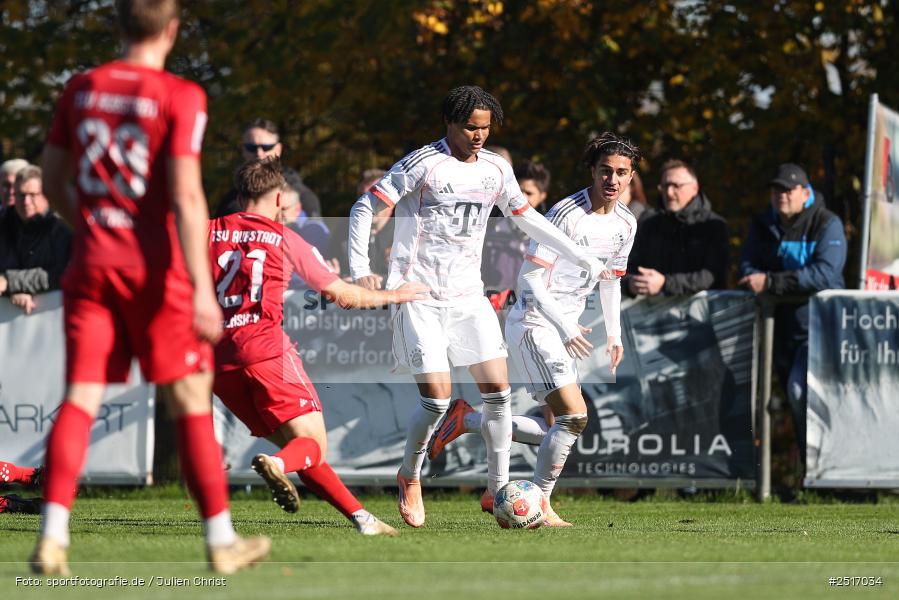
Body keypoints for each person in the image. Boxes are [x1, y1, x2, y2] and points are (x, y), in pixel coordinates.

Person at [33, 0, 269, 575]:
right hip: (156, 271)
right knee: (190, 397)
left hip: (92, 263)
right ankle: (220, 543)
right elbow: (188, 198)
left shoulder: (81, 88)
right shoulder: (180, 95)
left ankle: (52, 538)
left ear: (117, 26)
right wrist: (201, 289)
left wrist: (88, 224)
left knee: (82, 396)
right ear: (172, 29)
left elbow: (51, 178)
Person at [348, 85, 604, 527]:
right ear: (449, 123)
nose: (479, 135)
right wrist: (358, 270)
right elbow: (362, 208)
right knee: (436, 401)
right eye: (471, 127)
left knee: (500, 393)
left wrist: (578, 254)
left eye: (485, 127)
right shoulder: (423, 164)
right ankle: (410, 474)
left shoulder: (496, 169)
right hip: (418, 295)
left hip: (469, 296)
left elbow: (527, 218)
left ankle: (496, 489)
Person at [210, 157, 427, 536]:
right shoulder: (285, 238)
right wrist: (397, 295)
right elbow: (342, 295)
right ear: (278, 197)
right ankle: (277, 465)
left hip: (218, 363)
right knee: (311, 446)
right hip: (266, 351)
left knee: (305, 452)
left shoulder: (204, 232)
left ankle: (363, 520)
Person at [429, 133, 638, 525]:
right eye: (605, 171)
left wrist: (615, 334)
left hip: (561, 331)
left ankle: (468, 419)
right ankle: (540, 503)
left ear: (631, 176)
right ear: (592, 172)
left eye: (621, 173)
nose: (612, 179)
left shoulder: (626, 223)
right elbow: (529, 280)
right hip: (533, 322)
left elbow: (611, 278)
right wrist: (565, 324)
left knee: (552, 428)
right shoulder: (565, 214)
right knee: (574, 418)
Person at [738, 163, 846, 463]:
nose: (780, 195)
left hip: (820, 331)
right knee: (765, 401)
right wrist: (761, 280)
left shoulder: (827, 222)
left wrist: (771, 282)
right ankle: (800, 475)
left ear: (805, 192)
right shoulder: (763, 224)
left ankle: (824, 471)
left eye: (787, 189)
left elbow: (825, 274)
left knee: (801, 393)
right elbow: (746, 267)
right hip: (774, 332)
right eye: (776, 190)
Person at [625, 159, 729, 297]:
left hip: (701, 315)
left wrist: (665, 284)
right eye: (665, 186)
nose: (669, 192)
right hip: (651, 315)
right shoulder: (648, 224)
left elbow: (710, 276)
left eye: (676, 186)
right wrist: (631, 284)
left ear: (695, 188)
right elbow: (628, 269)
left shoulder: (714, 225)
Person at [0, 166, 73, 314]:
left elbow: (61, 274)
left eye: (33, 195)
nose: (26, 201)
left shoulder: (62, 228)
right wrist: (11, 293)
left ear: (45, 195)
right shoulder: (3, 224)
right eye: (20, 195)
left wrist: (10, 282)